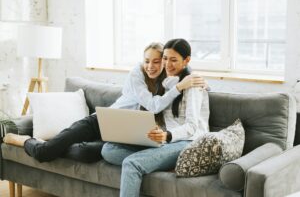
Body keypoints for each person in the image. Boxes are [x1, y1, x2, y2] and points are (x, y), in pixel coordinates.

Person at [3, 42, 207, 163]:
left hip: (125, 135)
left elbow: (184, 72)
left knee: (86, 153)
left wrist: (200, 83)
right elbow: (154, 105)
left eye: (156, 61)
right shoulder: (137, 74)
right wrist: (179, 87)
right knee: (45, 153)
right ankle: (24, 140)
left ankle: (56, 144)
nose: (150, 66)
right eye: (147, 60)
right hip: (100, 121)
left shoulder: (168, 79)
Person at [101, 38, 210, 197]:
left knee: (131, 163)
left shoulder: (193, 85)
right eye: (165, 58)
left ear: (186, 61)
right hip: (166, 139)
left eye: (174, 60)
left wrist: (168, 135)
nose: (167, 64)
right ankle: (157, 162)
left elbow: (192, 126)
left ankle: (151, 162)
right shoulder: (166, 82)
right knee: (108, 149)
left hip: (188, 141)